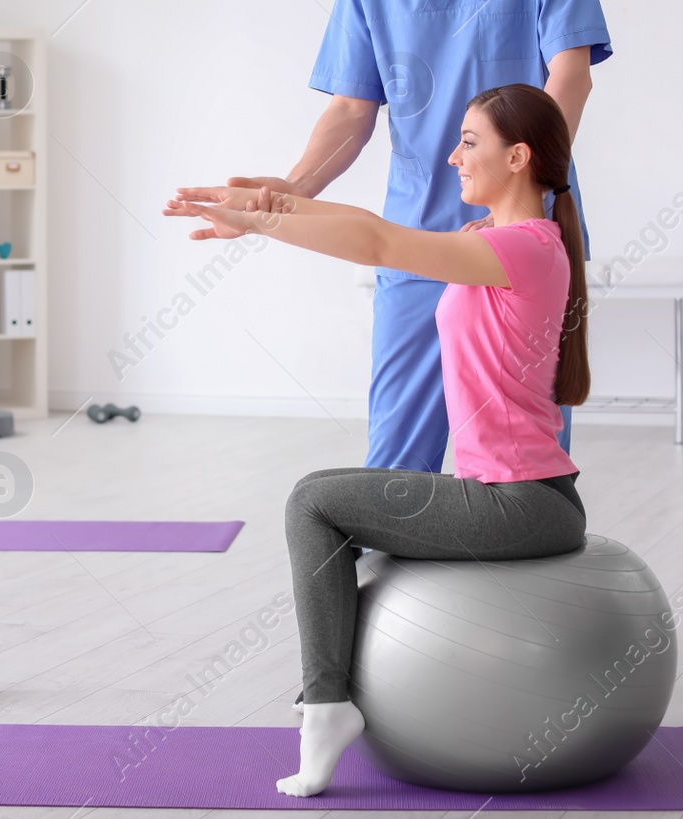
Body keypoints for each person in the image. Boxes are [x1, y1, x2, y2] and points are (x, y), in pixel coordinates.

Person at [164, 84, 591, 797]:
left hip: (522, 503)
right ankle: (330, 701)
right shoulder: (495, 241)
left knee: (314, 502)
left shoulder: (524, 248)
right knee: (327, 500)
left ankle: (325, 707)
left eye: (470, 142)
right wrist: (263, 207)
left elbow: (379, 240)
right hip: (519, 494)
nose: (454, 156)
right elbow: (369, 223)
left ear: (517, 158)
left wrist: (263, 222)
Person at [211, 0, 611, 475]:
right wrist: (292, 189)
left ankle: (524, 567)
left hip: (519, 240)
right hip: (417, 232)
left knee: (527, 451)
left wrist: (523, 203)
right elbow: (351, 109)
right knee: (395, 460)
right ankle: (390, 577)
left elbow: (569, 77)